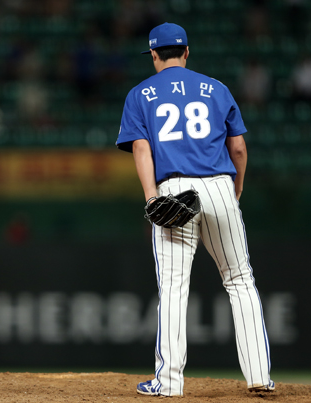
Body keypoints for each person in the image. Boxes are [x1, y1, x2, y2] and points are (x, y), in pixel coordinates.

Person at [116, 23, 274, 397]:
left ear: (154, 55)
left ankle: (168, 383)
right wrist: (234, 189)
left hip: (172, 191)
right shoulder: (216, 88)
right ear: (186, 52)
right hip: (219, 184)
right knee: (240, 280)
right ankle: (259, 376)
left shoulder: (140, 94)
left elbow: (141, 150)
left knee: (173, 287)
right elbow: (238, 148)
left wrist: (151, 196)